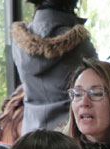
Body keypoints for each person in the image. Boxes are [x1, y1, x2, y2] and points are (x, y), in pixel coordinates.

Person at [11, 0, 97, 133]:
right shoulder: (81, 46)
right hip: (68, 137)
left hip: (29, 138)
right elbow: (96, 93)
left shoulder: (18, 43)